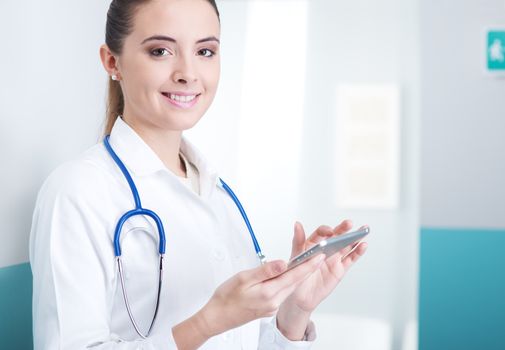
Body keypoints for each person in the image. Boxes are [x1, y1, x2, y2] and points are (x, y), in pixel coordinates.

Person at [29, 0, 368, 349]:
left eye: (205, 51)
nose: (188, 73)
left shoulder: (218, 194)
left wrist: (295, 309)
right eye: (160, 51)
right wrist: (207, 322)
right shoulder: (77, 192)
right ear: (112, 61)